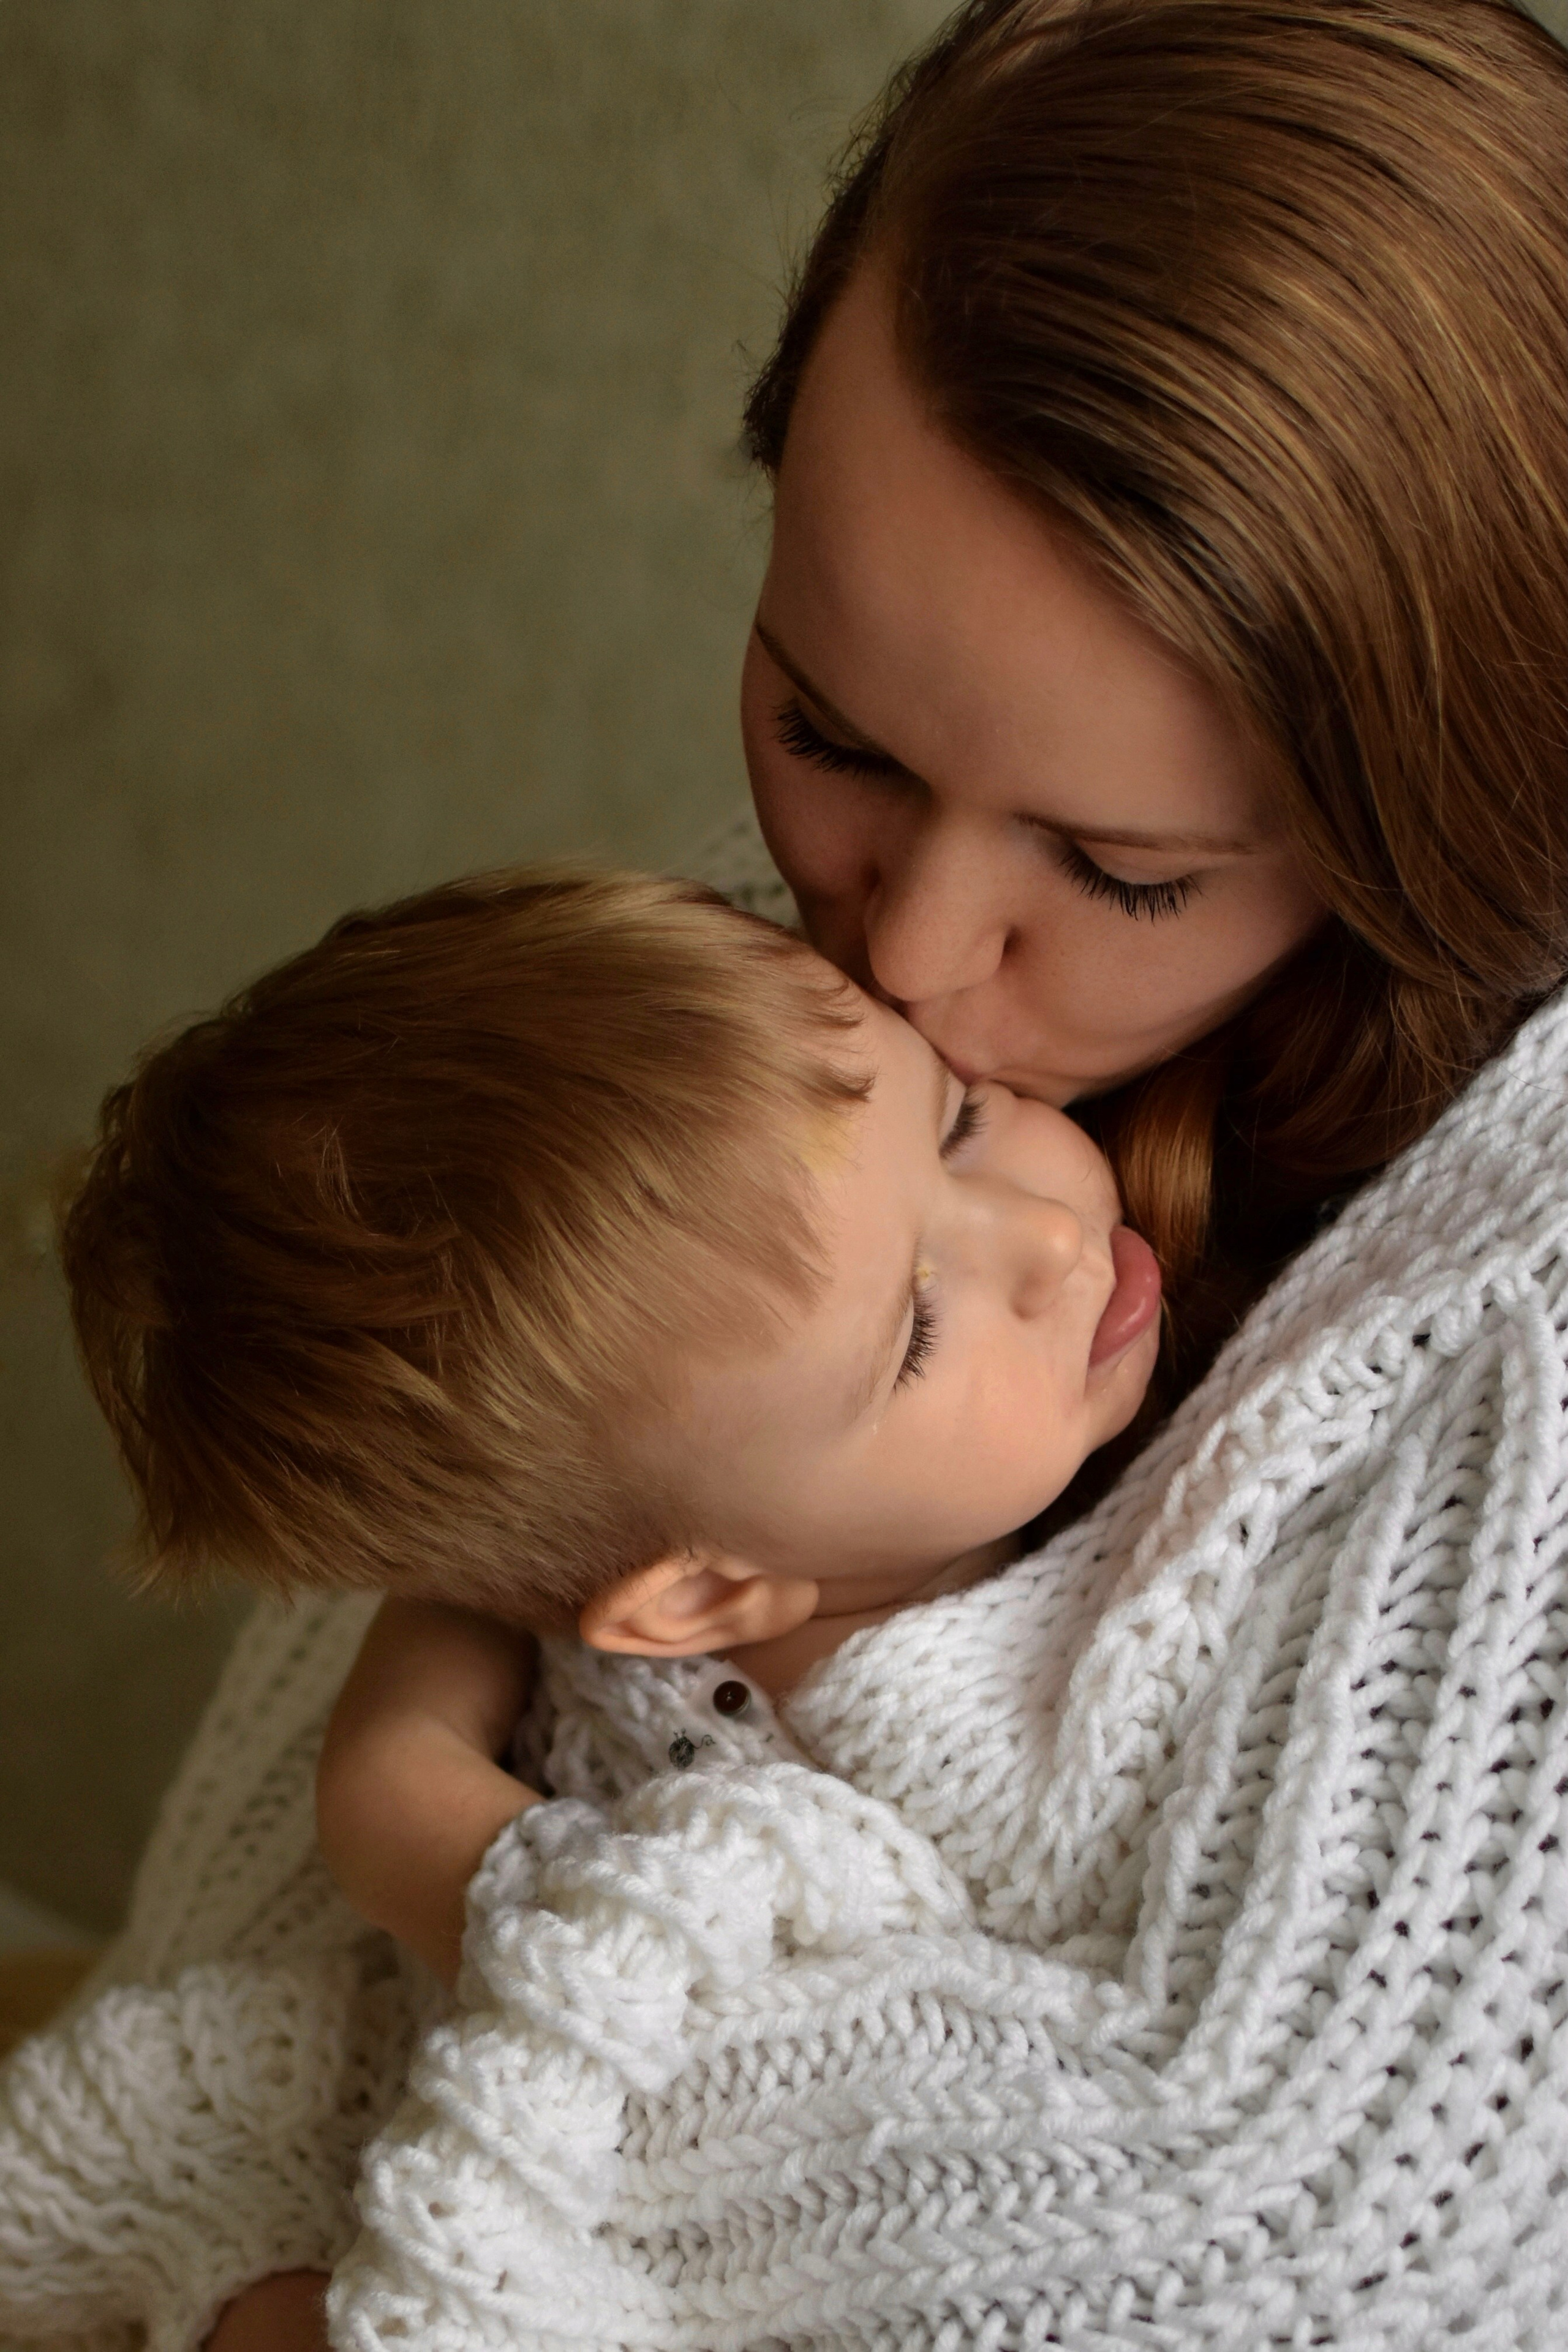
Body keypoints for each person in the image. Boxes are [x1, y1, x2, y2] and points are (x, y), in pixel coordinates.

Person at [0, 3, 1561, 2347]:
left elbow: (1290, 2260)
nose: (908, 953)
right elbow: (238, 2014)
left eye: (1116, 869)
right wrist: (256, 2274)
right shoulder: (796, 1031)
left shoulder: (1511, 1315)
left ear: (1428, 808)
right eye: (828, 730)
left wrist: (449, 1847)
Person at [58, 864, 1160, 1987]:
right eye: (917, 1332)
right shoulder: (972, 1779)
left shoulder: (645, 1519)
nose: (1049, 1240)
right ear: (701, 1598)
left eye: (959, 1122)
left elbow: (439, 1652)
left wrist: (388, 1774)